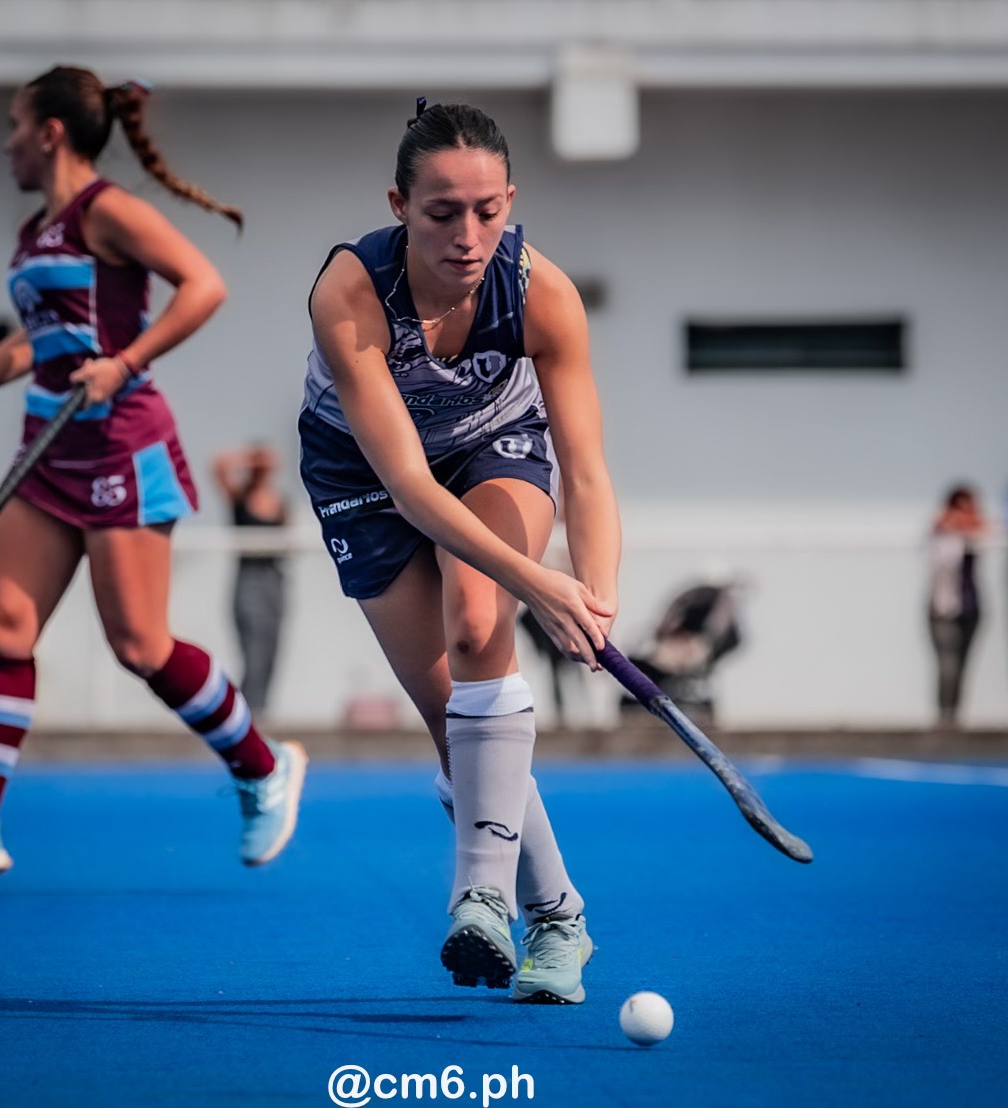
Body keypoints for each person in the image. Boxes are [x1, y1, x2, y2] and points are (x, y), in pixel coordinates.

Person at [0, 66, 306, 877]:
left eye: (12, 125)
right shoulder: (34, 234)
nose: (4, 143)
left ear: (50, 132)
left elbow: (204, 286)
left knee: (139, 646)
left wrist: (125, 360)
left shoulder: (106, 212)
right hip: (47, 453)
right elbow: (32, 341)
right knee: (5, 623)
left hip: (119, 448)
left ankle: (262, 765)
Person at [299, 99, 620, 1005]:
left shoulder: (541, 293)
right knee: (458, 728)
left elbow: (588, 474)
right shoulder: (349, 293)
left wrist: (593, 594)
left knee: (480, 624)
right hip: (364, 470)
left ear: (510, 200)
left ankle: (479, 897)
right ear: (398, 204)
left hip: (495, 444)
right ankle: (560, 918)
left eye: (487, 210)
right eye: (442, 212)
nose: (468, 234)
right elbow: (409, 491)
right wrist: (542, 586)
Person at [212, 444, 289, 714]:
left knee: (271, 651)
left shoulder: (279, 501)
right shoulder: (240, 497)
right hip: (248, 578)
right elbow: (218, 466)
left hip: (275, 581)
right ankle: (248, 712)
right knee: (253, 652)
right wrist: (250, 458)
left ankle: (262, 709)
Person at [621, 571, 744, 722]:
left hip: (698, 653)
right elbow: (668, 622)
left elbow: (718, 629)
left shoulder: (720, 607)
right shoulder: (692, 601)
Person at [926, 485, 988, 727]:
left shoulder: (975, 535)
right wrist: (950, 529)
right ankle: (945, 715)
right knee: (947, 663)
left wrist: (965, 527)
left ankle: (956, 716)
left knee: (963, 663)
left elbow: (986, 533)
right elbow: (936, 557)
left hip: (970, 607)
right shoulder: (938, 536)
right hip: (943, 608)